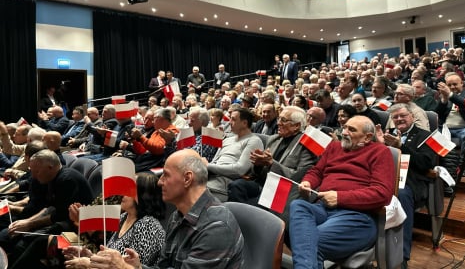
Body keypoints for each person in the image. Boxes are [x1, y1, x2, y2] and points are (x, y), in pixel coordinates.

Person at [88, 149, 244, 269]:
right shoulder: (178, 216)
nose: (159, 182)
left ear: (187, 179)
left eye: (166, 176)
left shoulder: (216, 226)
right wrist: (138, 266)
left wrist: (123, 267)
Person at [289, 116, 395, 268]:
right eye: (344, 127)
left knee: (308, 242)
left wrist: (340, 197)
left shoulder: (380, 152)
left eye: (351, 130)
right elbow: (317, 171)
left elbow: (382, 193)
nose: (344, 132)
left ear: (367, 137)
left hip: (357, 216)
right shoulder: (334, 147)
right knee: (298, 205)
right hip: (323, 208)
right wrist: (308, 182)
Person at [0, 150, 93, 262]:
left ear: (50, 167)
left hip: (75, 227)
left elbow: (59, 215)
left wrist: (29, 224)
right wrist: (27, 222)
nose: (33, 175)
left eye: (37, 172)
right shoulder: (49, 177)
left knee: (22, 243)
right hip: (61, 221)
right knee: (7, 234)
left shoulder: (67, 180)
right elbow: (48, 208)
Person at [61, 172, 166, 268]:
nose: (123, 192)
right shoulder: (123, 217)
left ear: (143, 196)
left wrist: (88, 263)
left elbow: (130, 267)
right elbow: (111, 259)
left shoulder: (148, 225)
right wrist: (89, 255)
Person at [376, 103, 436, 268]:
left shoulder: (425, 135)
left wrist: (401, 146)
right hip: (384, 178)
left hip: (411, 182)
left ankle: (400, 257)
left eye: (403, 115)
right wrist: (379, 144)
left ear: (413, 117)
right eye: (395, 117)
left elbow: (426, 163)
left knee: (400, 194)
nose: (399, 119)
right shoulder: (387, 135)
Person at [228, 106, 318, 208]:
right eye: (279, 118)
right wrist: (258, 164)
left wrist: (271, 163)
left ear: (296, 126)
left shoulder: (307, 145)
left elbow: (298, 176)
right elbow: (255, 173)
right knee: (236, 186)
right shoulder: (273, 139)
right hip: (262, 183)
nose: (278, 123)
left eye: (283, 120)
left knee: (250, 206)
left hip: (281, 190)